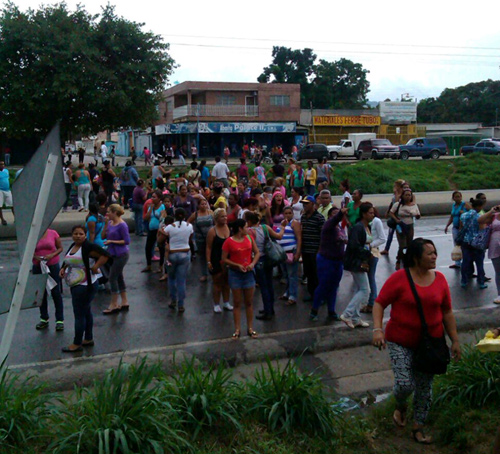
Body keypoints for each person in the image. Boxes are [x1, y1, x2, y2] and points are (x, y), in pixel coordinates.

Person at [372, 238, 461, 445]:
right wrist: (378, 330)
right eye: (429, 253)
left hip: (431, 344)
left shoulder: (439, 279)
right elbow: (379, 303)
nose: (434, 256)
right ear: (415, 257)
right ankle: (401, 405)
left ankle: (418, 427)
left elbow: (447, 311)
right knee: (405, 384)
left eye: (434, 252)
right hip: (399, 341)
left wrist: (454, 340)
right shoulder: (399, 278)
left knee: (424, 387)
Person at [59, 225, 110, 352]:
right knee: (86, 311)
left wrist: (96, 266)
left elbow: (105, 255)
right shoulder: (73, 246)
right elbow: (68, 259)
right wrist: (63, 268)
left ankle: (76, 343)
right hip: (75, 284)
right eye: (75, 233)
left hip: (85, 285)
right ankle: (88, 338)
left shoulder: (88, 247)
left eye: (81, 234)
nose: (78, 236)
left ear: (85, 235)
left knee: (79, 314)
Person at [222, 219, 260, 339]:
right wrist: (236, 265)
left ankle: (250, 327)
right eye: (245, 227)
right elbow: (224, 259)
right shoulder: (229, 242)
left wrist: (252, 263)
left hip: (248, 273)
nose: (248, 229)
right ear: (240, 228)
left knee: (249, 302)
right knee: (237, 303)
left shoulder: (249, 238)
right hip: (235, 274)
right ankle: (237, 329)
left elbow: (257, 252)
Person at [340, 202, 375, 328]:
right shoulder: (358, 227)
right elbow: (354, 246)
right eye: (370, 212)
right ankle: (347, 314)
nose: (373, 215)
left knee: (358, 289)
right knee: (365, 290)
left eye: (373, 212)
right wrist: (367, 253)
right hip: (356, 261)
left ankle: (356, 318)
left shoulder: (367, 226)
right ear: (364, 214)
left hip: (361, 260)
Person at [245, 211, 285, 320]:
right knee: (269, 284)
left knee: (263, 287)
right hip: (268, 258)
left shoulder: (249, 232)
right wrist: (282, 227)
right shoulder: (265, 227)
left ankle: (267, 311)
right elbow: (279, 236)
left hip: (258, 259)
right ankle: (270, 308)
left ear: (248, 221)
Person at [309, 206, 347, 321]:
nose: (337, 216)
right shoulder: (328, 226)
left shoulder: (340, 227)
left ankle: (331, 311)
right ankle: (314, 310)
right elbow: (335, 220)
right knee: (324, 285)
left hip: (338, 260)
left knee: (334, 286)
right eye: (334, 214)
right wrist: (340, 213)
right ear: (330, 216)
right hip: (326, 260)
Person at [33, 228, 64, 331]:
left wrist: (52, 255)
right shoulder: (33, 234)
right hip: (38, 265)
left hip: (52, 265)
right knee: (41, 293)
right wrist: (35, 257)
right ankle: (44, 318)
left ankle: (59, 320)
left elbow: (60, 248)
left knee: (56, 292)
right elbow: (27, 250)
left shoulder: (53, 233)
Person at [163, 208, 194, 313]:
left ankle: (173, 300)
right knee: (181, 280)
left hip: (172, 254)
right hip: (185, 253)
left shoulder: (169, 228)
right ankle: (181, 304)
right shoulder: (189, 226)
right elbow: (190, 237)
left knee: (171, 279)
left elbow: (161, 238)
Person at [102, 204, 130, 314]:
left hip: (121, 254)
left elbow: (126, 241)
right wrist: (105, 225)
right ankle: (124, 300)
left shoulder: (122, 225)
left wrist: (112, 242)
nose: (107, 214)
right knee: (119, 276)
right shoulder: (110, 223)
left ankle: (114, 303)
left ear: (115, 212)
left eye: (109, 212)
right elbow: (103, 236)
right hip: (112, 253)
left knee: (112, 277)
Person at [206, 209, 233, 313]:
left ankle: (226, 302)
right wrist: (208, 261)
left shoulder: (229, 228)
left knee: (227, 282)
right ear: (216, 218)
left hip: (228, 259)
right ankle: (216, 304)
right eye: (222, 217)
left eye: (225, 216)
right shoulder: (212, 231)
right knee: (217, 282)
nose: (225, 218)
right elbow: (208, 248)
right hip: (216, 259)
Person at [361, 208, 387, 314]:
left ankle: (372, 303)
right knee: (366, 278)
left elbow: (382, 238)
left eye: (372, 212)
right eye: (369, 212)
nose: (371, 214)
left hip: (372, 253)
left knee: (370, 278)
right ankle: (371, 302)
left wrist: (369, 246)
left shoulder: (376, 221)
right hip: (365, 253)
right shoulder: (362, 223)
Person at [459, 197, 488, 289]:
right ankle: (481, 282)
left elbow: (461, 226)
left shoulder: (464, 215)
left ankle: (464, 281)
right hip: (477, 243)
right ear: (479, 206)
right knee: (479, 263)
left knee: (465, 262)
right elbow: (482, 229)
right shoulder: (479, 217)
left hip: (466, 241)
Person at [300, 195, 325, 301]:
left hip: (315, 250)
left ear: (313, 204)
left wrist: (320, 250)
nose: (304, 206)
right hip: (306, 250)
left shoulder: (319, 218)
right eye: (304, 204)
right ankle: (312, 294)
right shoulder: (303, 217)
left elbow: (323, 235)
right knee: (308, 273)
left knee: (317, 274)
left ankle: (320, 296)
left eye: (307, 203)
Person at [390, 189, 421, 270]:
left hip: (410, 226)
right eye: (406, 195)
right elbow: (391, 212)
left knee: (409, 244)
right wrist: (396, 219)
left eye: (409, 195)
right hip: (400, 226)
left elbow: (418, 215)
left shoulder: (414, 205)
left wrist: (416, 215)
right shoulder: (398, 204)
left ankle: (408, 260)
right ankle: (399, 260)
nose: (407, 197)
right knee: (402, 245)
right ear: (402, 196)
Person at [278, 206, 302, 306]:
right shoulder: (283, 223)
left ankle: (293, 296)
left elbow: (299, 238)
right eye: (286, 213)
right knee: (286, 274)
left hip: (291, 251)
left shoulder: (294, 223)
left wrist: (298, 252)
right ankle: (287, 292)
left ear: (292, 213)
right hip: (282, 253)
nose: (287, 215)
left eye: (289, 213)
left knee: (292, 275)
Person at [188, 198, 214, 282]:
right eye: (202, 204)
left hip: (211, 238)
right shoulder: (195, 214)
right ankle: (204, 274)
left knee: (212, 256)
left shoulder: (211, 213)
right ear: (198, 205)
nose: (204, 206)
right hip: (200, 239)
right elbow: (187, 223)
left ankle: (213, 272)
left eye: (205, 204)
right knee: (202, 257)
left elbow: (216, 223)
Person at [143, 190, 166, 273]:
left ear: (159, 198)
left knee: (161, 248)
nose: (152, 198)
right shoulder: (151, 206)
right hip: (151, 229)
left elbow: (164, 218)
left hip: (159, 230)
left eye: (154, 197)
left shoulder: (162, 206)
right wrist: (151, 208)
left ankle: (161, 266)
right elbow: (146, 217)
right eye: (151, 196)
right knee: (148, 247)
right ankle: (148, 265)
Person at [444, 191, 468, 269]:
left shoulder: (464, 205)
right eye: (456, 197)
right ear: (453, 198)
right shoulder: (454, 205)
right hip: (455, 227)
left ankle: (465, 261)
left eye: (459, 196)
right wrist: (447, 225)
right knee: (456, 245)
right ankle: (457, 262)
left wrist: (463, 213)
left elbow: (468, 214)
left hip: (462, 228)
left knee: (463, 245)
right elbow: (452, 216)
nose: (458, 198)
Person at [381, 179, 405, 256]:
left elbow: (397, 203)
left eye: (395, 186)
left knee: (400, 233)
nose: (394, 187)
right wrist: (388, 211)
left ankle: (401, 250)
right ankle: (386, 249)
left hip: (399, 217)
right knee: (390, 233)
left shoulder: (402, 194)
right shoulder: (395, 194)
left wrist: (396, 193)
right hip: (393, 215)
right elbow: (392, 203)